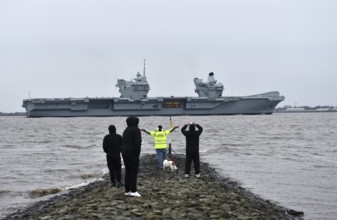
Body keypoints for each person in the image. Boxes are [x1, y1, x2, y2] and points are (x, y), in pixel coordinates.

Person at [122, 117, 142, 197]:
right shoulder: (136, 130)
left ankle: (127, 190)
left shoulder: (126, 130)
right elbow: (138, 143)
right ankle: (133, 190)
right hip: (133, 153)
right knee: (134, 171)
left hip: (124, 152)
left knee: (128, 171)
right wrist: (137, 155)